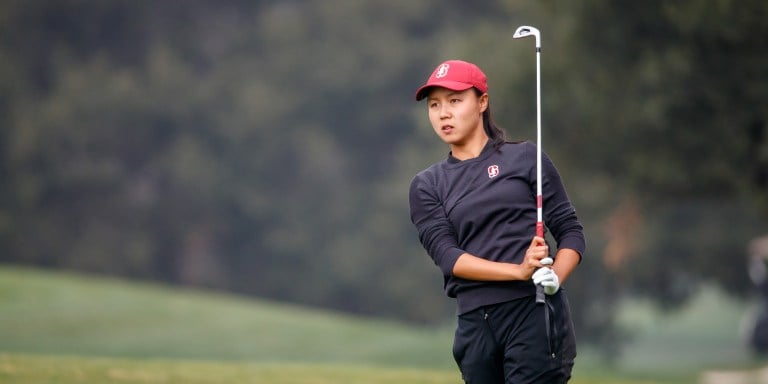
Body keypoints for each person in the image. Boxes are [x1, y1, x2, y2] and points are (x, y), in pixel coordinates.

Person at [408, 59, 585, 383]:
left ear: (482, 102)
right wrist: (517, 270)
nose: (443, 113)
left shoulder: (525, 158)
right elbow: (449, 257)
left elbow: (571, 232)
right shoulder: (427, 185)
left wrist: (555, 277)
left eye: (455, 100)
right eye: (434, 105)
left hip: (533, 312)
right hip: (475, 325)